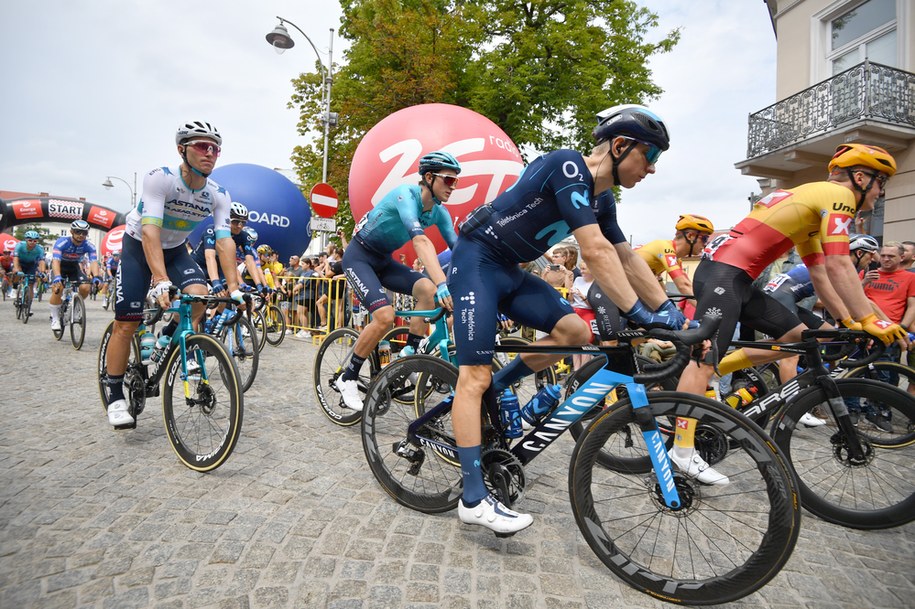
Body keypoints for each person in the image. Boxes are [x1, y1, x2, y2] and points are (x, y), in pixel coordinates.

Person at [449, 104, 687, 534]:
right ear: (620, 146)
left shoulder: (603, 198)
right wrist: (640, 313)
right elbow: (594, 251)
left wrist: (671, 315)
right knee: (474, 376)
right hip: (477, 261)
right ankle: (472, 498)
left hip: (512, 270)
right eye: (649, 157)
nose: (651, 169)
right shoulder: (567, 164)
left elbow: (625, 256)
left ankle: (497, 392)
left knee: (574, 331)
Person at [675, 143, 909, 483]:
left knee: (796, 338)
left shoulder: (814, 208)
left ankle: (719, 367)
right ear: (860, 177)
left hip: (738, 279)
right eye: (881, 182)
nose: (881, 192)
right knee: (703, 361)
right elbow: (840, 262)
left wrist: (847, 320)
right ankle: (681, 450)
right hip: (724, 275)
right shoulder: (836, 196)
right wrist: (870, 319)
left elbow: (821, 273)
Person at [103, 120, 244, 428]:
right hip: (139, 246)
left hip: (177, 249)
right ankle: (114, 393)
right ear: (182, 150)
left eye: (215, 148)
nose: (210, 153)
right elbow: (151, 230)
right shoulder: (161, 179)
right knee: (127, 322)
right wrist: (159, 278)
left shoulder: (218, 193)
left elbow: (224, 241)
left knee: (197, 299)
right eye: (202, 146)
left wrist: (235, 288)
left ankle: (168, 336)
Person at [334, 151, 460, 411]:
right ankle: (348, 377)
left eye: (456, 180)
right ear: (429, 177)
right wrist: (443, 282)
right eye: (449, 180)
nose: (454, 186)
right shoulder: (406, 196)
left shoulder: (440, 213)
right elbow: (420, 241)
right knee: (384, 316)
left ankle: (408, 355)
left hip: (383, 260)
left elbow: (459, 252)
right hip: (359, 257)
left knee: (426, 289)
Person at [635, 214, 714, 309]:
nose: (705, 244)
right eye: (704, 238)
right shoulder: (664, 247)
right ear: (690, 236)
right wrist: (709, 311)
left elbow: (686, 290)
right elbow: (684, 286)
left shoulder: (676, 259)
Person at [48, 220, 102, 330]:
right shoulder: (62, 242)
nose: (81, 235)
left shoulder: (89, 245)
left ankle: (77, 306)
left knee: (86, 287)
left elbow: (94, 262)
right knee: (58, 288)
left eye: (84, 233)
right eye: (78, 232)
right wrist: (57, 276)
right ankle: (55, 318)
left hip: (74, 266)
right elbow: (56, 261)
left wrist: (97, 276)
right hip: (60, 266)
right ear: (72, 232)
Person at [12, 230, 47, 305]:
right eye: (30, 240)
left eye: (35, 241)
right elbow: (15, 258)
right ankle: (15, 288)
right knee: (17, 273)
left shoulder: (39, 248)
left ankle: (28, 304)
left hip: (31, 264)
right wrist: (16, 269)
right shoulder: (20, 245)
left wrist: (43, 272)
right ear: (26, 240)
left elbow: (42, 261)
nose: (32, 242)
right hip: (20, 262)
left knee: (30, 284)